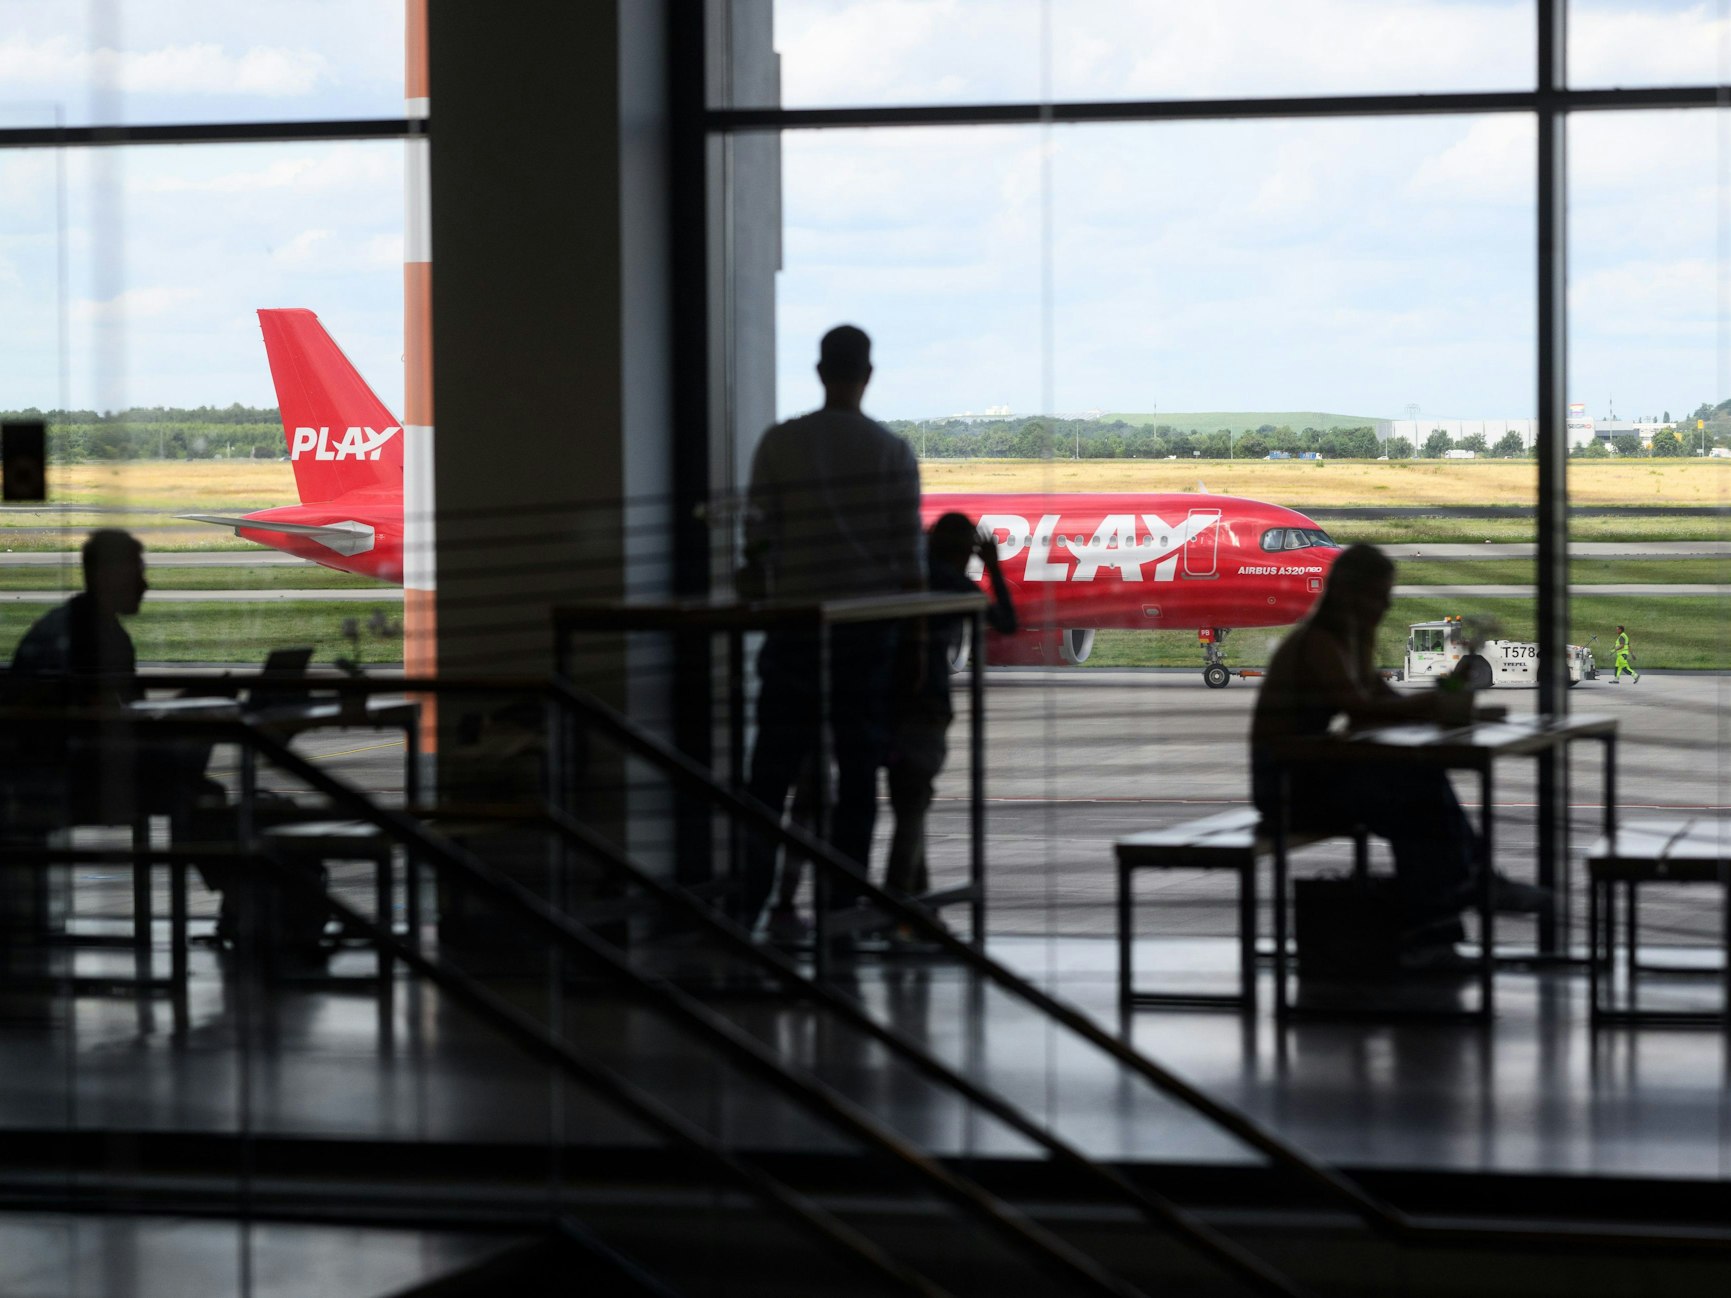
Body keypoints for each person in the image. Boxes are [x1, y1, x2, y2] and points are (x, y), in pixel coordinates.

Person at [1250, 543, 1547, 969]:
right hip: (1284, 786)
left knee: (1419, 791)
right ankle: (1454, 903)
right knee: (1417, 805)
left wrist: (1450, 699)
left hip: (1305, 776)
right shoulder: (1319, 643)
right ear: (1353, 594)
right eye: (1380, 593)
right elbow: (1361, 708)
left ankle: (1445, 916)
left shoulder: (1342, 644)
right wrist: (1437, 704)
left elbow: (1384, 703)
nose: (1387, 604)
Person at [736, 325, 924, 935]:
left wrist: (764, 587)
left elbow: (756, 541)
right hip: (864, 639)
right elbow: (910, 567)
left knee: (772, 773)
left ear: (819, 372)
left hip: (793, 631)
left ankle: (749, 901)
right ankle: (841, 906)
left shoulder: (780, 444)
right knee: (857, 776)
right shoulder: (893, 453)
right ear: (867, 376)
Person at [883, 514, 1016, 933]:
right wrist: (993, 567)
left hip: (883, 707)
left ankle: (919, 913)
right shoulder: (951, 583)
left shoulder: (906, 575)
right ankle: (894, 909)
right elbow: (1006, 624)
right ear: (965, 551)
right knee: (912, 808)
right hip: (924, 709)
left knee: (910, 804)